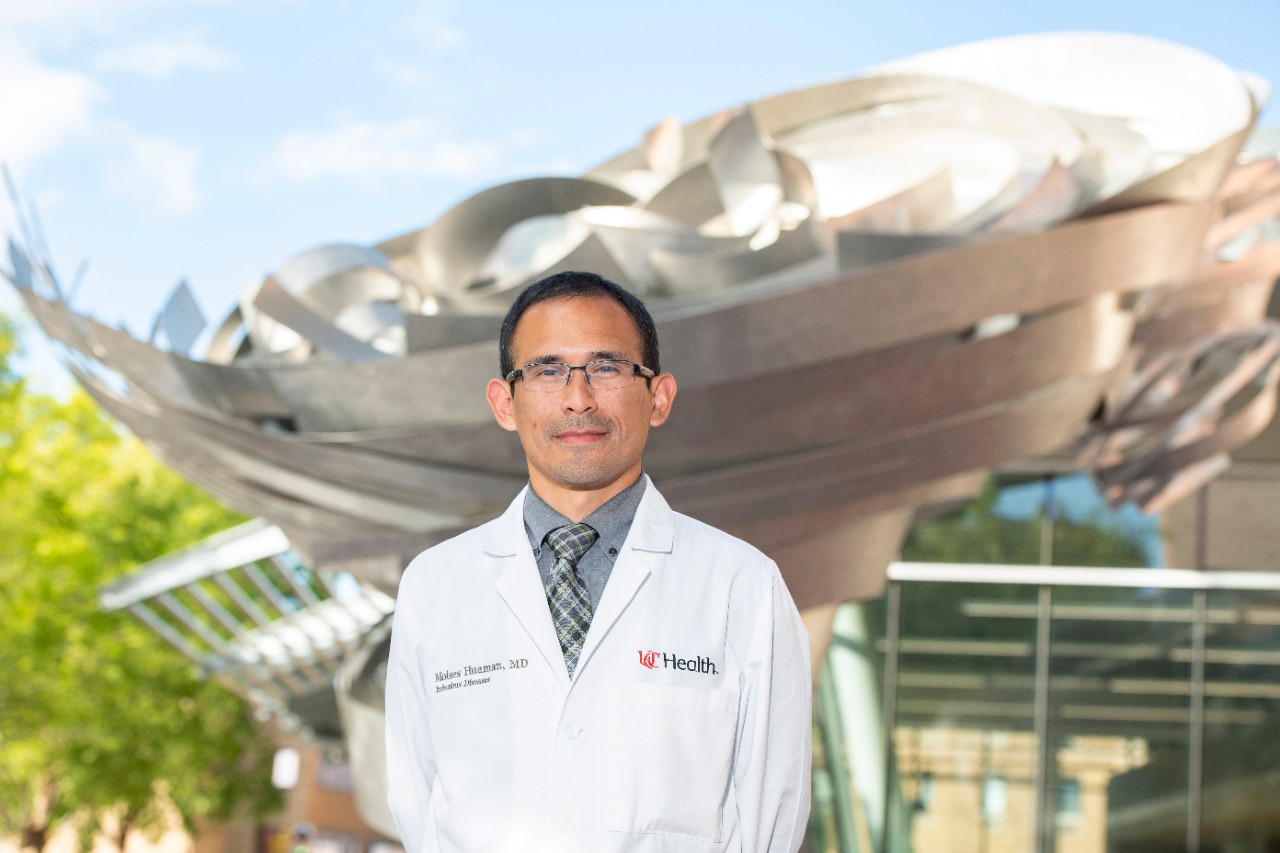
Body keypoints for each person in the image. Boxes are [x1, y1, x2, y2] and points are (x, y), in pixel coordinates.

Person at [385, 271, 811, 852]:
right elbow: (417, 804)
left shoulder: (742, 585)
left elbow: (771, 815)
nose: (577, 398)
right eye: (546, 370)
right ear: (504, 403)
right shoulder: (435, 586)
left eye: (607, 368)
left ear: (658, 398)